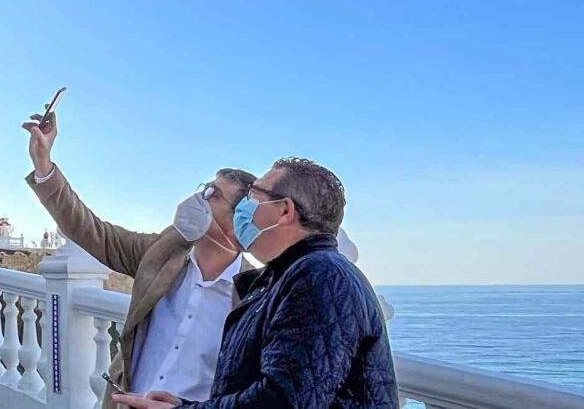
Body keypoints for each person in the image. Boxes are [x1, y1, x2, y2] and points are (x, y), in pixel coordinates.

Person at [113, 158, 398, 409]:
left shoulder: (320, 276)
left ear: (284, 210)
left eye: (253, 196)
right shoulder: (281, 278)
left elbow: (283, 401)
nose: (243, 209)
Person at [21, 109, 257, 407]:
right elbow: (94, 232)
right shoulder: (163, 252)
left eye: (214, 194)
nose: (201, 199)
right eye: (204, 188)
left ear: (239, 220)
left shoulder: (256, 294)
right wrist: (43, 164)